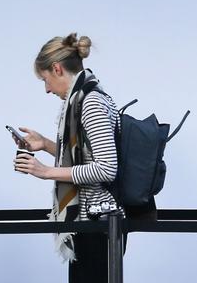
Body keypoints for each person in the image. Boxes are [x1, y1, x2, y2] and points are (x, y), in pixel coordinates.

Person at [14, 33, 120, 283]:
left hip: (99, 222)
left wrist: (46, 171)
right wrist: (47, 145)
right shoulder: (83, 99)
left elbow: (106, 168)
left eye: (45, 80)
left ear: (57, 68)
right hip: (91, 221)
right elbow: (87, 156)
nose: (47, 89)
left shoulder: (90, 103)